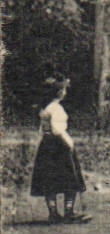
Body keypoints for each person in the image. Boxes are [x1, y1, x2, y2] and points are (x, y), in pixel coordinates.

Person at [31, 76, 88, 224]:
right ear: (57, 92)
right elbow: (57, 130)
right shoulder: (56, 108)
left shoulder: (44, 109)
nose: (64, 92)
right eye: (62, 89)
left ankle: (53, 212)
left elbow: (42, 130)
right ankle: (69, 212)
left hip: (46, 145)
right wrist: (69, 143)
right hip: (59, 146)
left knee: (50, 178)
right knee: (70, 177)